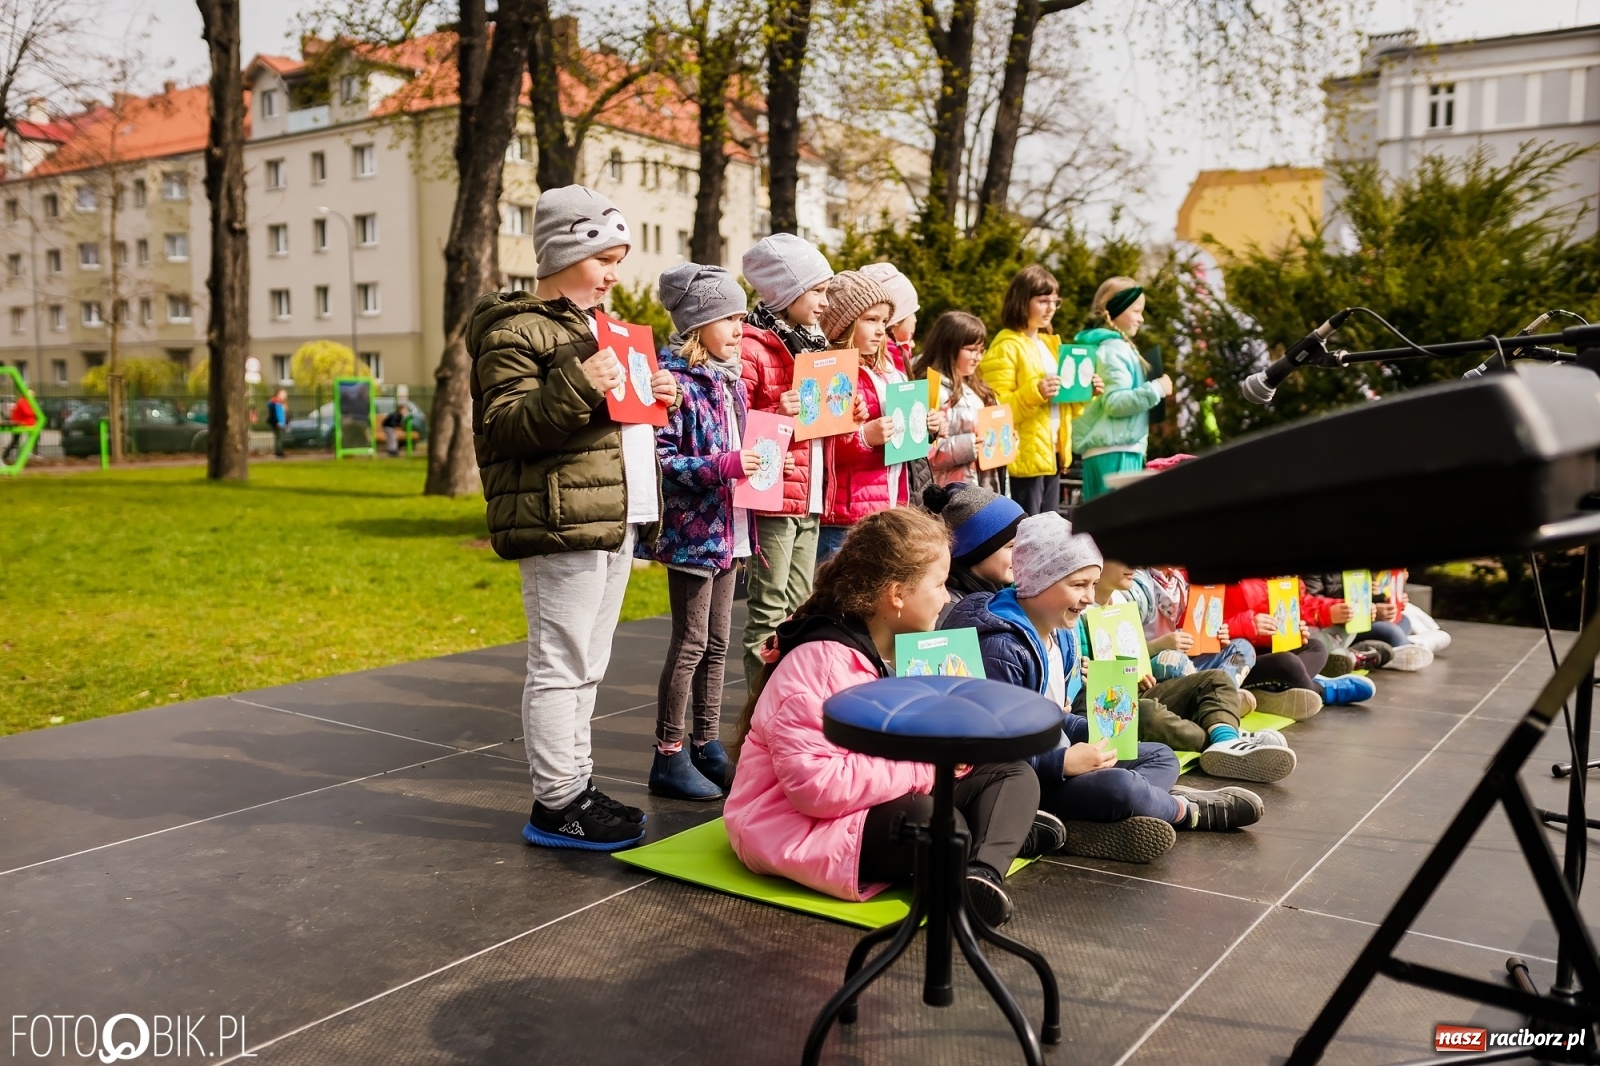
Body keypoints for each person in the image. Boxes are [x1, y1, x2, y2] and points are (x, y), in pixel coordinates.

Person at [725, 508, 1063, 926]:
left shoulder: (910, 650)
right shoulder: (820, 662)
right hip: (800, 825)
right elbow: (815, 788)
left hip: (880, 796)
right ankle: (989, 837)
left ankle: (982, 873)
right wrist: (925, 764)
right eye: (939, 584)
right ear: (897, 594)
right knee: (934, 824)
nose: (946, 597)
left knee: (1011, 773)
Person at [469, 184, 679, 852]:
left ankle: (577, 787)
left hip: (611, 517)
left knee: (588, 663)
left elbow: (607, 424)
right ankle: (558, 802)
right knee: (560, 663)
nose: (616, 272)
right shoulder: (513, 329)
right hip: (561, 522)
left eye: (619, 257)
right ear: (564, 251)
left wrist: (656, 394)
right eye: (604, 258)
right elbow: (504, 428)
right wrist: (585, 382)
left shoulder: (597, 328)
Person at [945, 513, 1265, 863]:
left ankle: (1116, 812)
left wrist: (1101, 733)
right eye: (1078, 585)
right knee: (1120, 786)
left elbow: (1055, 718)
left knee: (1160, 755)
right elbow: (999, 747)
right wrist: (1063, 761)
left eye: (1093, 585)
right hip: (1031, 782)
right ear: (1038, 580)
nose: (1088, 598)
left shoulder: (1062, 633)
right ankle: (1183, 810)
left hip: (1060, 756)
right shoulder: (1002, 649)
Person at [640, 263, 780, 801]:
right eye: (729, 318)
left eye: (742, 318)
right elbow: (664, 462)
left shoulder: (730, 381)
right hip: (693, 532)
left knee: (719, 641)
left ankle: (706, 743)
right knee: (691, 642)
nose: (740, 329)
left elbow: (745, 451)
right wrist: (726, 466)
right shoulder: (673, 382)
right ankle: (668, 753)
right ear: (698, 323)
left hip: (732, 529)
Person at [1083, 560, 1297, 783]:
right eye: (1121, 558)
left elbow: (1133, 650)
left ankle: (1226, 736)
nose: (1134, 565)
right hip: (1112, 704)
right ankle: (1226, 738)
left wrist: (1138, 669)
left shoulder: (1125, 598)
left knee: (1217, 678)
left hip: (1142, 684)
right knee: (1148, 713)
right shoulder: (1089, 608)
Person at [738, 233, 833, 686]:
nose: (824, 302)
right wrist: (779, 413)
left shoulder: (813, 346)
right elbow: (738, 429)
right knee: (769, 611)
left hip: (809, 496)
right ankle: (757, 722)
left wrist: (844, 414)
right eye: (816, 291)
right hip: (773, 499)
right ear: (784, 291)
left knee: (800, 609)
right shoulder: (752, 348)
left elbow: (816, 430)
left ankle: (790, 707)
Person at [815, 271, 941, 563]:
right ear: (845, 323)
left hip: (890, 510)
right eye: (870, 320)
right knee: (838, 601)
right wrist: (864, 437)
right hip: (847, 517)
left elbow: (907, 441)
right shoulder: (832, 371)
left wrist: (926, 428)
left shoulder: (891, 372)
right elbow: (821, 449)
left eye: (884, 321)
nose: (881, 329)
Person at [980, 265, 1095, 516]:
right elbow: (995, 410)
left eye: (1055, 301)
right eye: (1043, 300)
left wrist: (1086, 392)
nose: (1051, 308)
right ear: (1022, 301)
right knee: (1027, 534)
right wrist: (1036, 392)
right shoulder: (1006, 346)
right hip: (1022, 460)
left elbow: (1063, 406)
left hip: (1052, 455)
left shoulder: (1050, 344)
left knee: (1049, 534)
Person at [1070, 277, 1172, 501]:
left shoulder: (1109, 346)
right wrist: (1157, 389)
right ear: (1116, 308)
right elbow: (1115, 403)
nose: (1141, 318)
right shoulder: (1115, 348)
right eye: (1136, 311)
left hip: (1110, 450)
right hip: (1117, 452)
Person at [1223, 579, 1377, 709]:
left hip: (1268, 649)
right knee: (1288, 663)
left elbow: (1301, 605)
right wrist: (1247, 626)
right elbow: (1207, 622)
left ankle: (1273, 689)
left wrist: (1297, 630)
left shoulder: (1283, 577)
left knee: (1316, 647)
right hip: (1236, 659)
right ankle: (1320, 690)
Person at [917, 311, 1005, 492]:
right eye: (971, 350)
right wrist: (970, 445)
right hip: (949, 495)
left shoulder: (977, 387)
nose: (978, 357)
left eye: (981, 351)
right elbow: (924, 453)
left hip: (981, 490)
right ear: (948, 346)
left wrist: (1005, 440)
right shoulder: (932, 389)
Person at [922, 481, 1024, 623]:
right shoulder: (952, 613)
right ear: (977, 552)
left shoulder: (1003, 594)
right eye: (1011, 546)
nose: (1020, 553)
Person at [1301, 572, 1435, 671]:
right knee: (1391, 632)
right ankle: (1404, 648)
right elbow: (1311, 602)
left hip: (1354, 618)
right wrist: (1348, 608)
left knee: (1404, 620)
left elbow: (1366, 595)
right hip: (1335, 623)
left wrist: (1383, 600)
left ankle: (1401, 647)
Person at [858, 261, 919, 375]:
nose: (915, 319)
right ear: (896, 318)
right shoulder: (885, 361)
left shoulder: (891, 356)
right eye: (912, 312)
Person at [2, 390, 36, 465]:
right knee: (16, 440)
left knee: (16, 440)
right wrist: (34, 411)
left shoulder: (25, 401)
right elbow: (27, 412)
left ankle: (8, 455)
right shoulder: (23, 401)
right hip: (20, 423)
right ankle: (7, 456)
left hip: (22, 423)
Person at [266, 390, 288, 459]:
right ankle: (279, 452)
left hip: (281, 422)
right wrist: (278, 422)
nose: (285, 396)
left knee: (280, 438)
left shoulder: (280, 403)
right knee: (279, 438)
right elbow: (275, 414)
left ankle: (279, 452)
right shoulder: (275, 403)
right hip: (278, 423)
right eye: (283, 394)